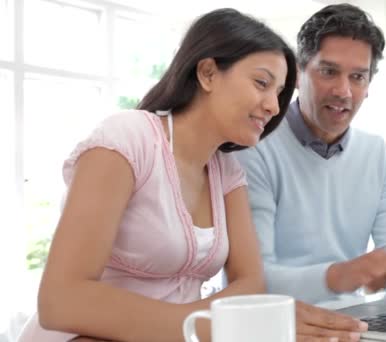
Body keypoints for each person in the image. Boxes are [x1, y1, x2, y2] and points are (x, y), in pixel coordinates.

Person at [17, 8, 300, 342]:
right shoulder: (127, 138)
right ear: (208, 73)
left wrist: (197, 326)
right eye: (262, 83)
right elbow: (61, 301)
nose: (274, 106)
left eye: (280, 93)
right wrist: (196, 325)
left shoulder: (226, 171)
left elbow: (250, 283)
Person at [236, 2, 386, 334]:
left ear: (368, 86)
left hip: (351, 319)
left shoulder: (378, 155)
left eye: (357, 77)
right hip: (277, 325)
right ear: (297, 74)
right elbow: (253, 280)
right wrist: (338, 275)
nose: (343, 91)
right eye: (329, 72)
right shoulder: (256, 147)